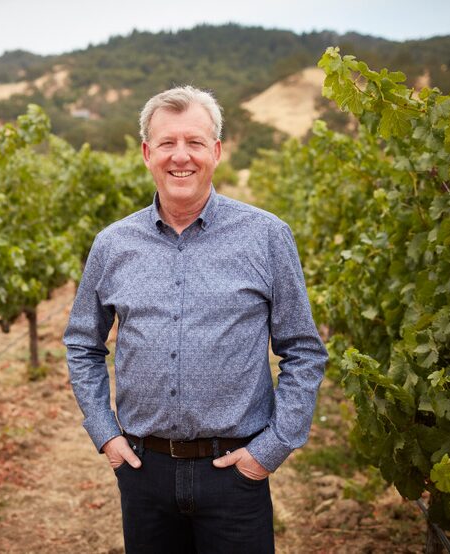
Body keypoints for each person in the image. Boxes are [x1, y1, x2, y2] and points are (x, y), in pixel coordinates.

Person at [63, 85, 327, 553]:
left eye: (195, 142)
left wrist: (269, 451)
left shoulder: (266, 237)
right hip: (144, 473)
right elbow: (83, 344)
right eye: (166, 143)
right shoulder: (112, 245)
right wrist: (105, 434)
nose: (179, 156)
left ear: (217, 151)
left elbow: (303, 351)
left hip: (236, 474)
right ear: (147, 153)